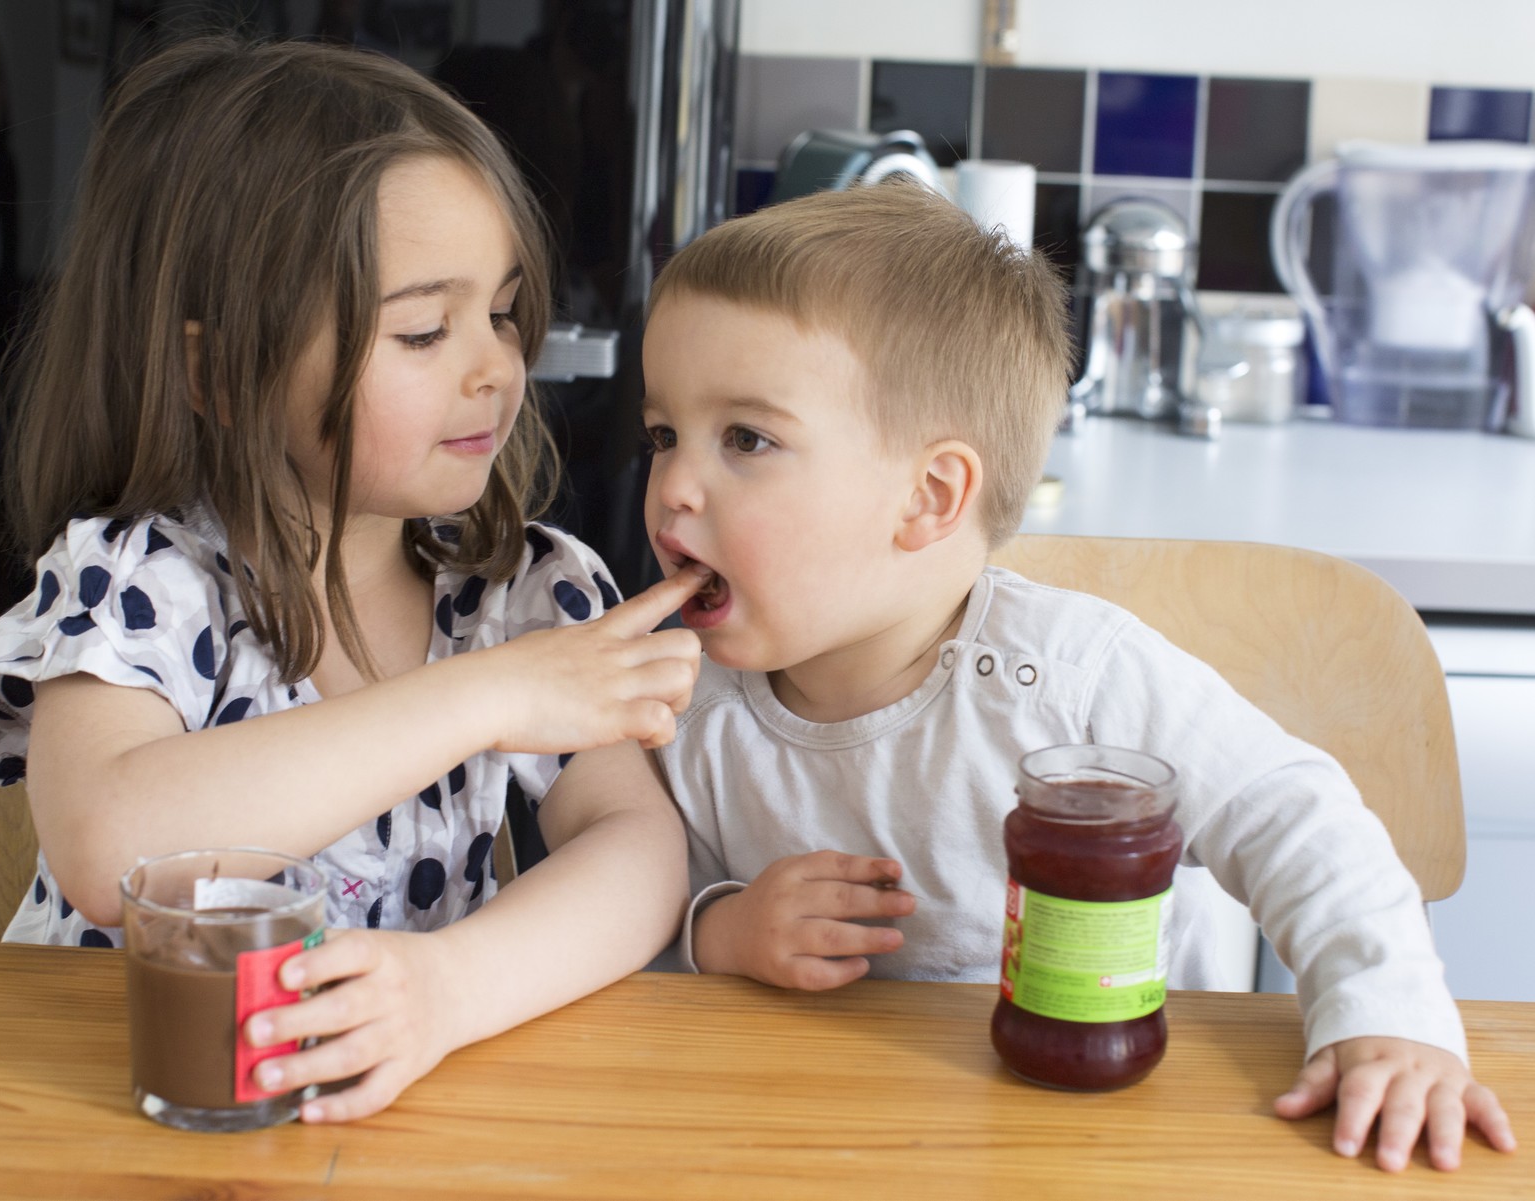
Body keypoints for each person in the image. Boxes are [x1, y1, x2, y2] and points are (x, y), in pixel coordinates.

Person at [638, 181, 1516, 1172]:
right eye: (663, 433)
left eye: (745, 439)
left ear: (928, 497)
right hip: (812, 1137)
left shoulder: (1067, 677)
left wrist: (1389, 1017)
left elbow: (1290, 810)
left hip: (1107, 1136)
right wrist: (722, 927)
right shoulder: (683, 704)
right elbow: (635, 919)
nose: (671, 485)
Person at [0, 37, 707, 1123]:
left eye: (501, 311)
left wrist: (449, 990)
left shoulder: (520, 593)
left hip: (374, 1120)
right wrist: (489, 698)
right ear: (218, 371)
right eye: (426, 330)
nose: (497, 365)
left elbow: (640, 853)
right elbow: (112, 845)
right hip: (102, 1114)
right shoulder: (143, 584)